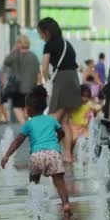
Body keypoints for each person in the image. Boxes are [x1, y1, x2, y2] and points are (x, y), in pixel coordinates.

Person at [0, 85, 72, 217]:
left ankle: (35, 205)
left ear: (29, 110)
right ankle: (66, 204)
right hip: (53, 154)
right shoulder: (51, 120)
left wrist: (6, 156)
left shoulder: (28, 124)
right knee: (59, 182)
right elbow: (61, 132)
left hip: (36, 156)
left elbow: (18, 141)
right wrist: (56, 140)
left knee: (34, 182)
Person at [38, 17, 81, 163]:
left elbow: (44, 68)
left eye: (41, 33)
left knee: (52, 119)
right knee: (65, 121)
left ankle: (47, 154)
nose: (40, 36)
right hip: (74, 79)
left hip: (62, 80)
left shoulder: (49, 45)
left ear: (47, 32)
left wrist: (48, 82)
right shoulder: (66, 44)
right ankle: (67, 155)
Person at [3, 35, 41, 124]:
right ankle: (26, 124)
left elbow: (6, 62)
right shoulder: (34, 56)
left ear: (19, 44)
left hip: (18, 87)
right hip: (31, 87)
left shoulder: (15, 55)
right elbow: (38, 73)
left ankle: (23, 124)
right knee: (26, 107)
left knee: (17, 107)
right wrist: (39, 85)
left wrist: (13, 51)